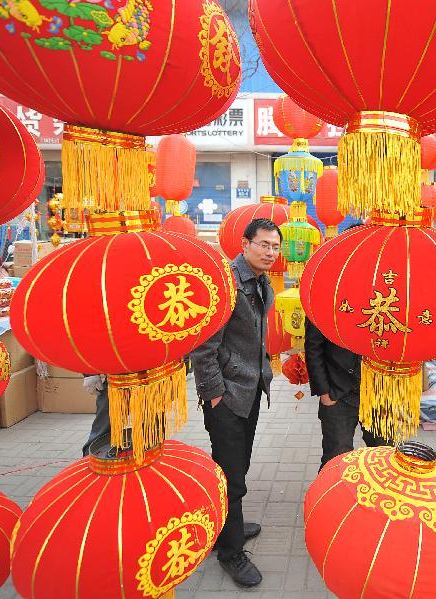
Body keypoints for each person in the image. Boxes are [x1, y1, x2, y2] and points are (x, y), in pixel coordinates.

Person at [191, 218, 281, 588]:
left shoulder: (263, 283)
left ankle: (231, 525)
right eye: (263, 245)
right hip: (226, 395)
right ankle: (229, 551)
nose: (270, 252)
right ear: (244, 244)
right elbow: (203, 346)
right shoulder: (225, 283)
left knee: (237, 465)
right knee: (231, 473)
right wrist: (215, 395)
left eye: (275, 247)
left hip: (251, 389)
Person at [304, 317, 390, 470]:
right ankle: (331, 493)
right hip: (338, 392)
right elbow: (313, 347)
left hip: (379, 392)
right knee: (336, 460)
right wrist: (324, 392)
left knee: (385, 458)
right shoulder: (326, 297)